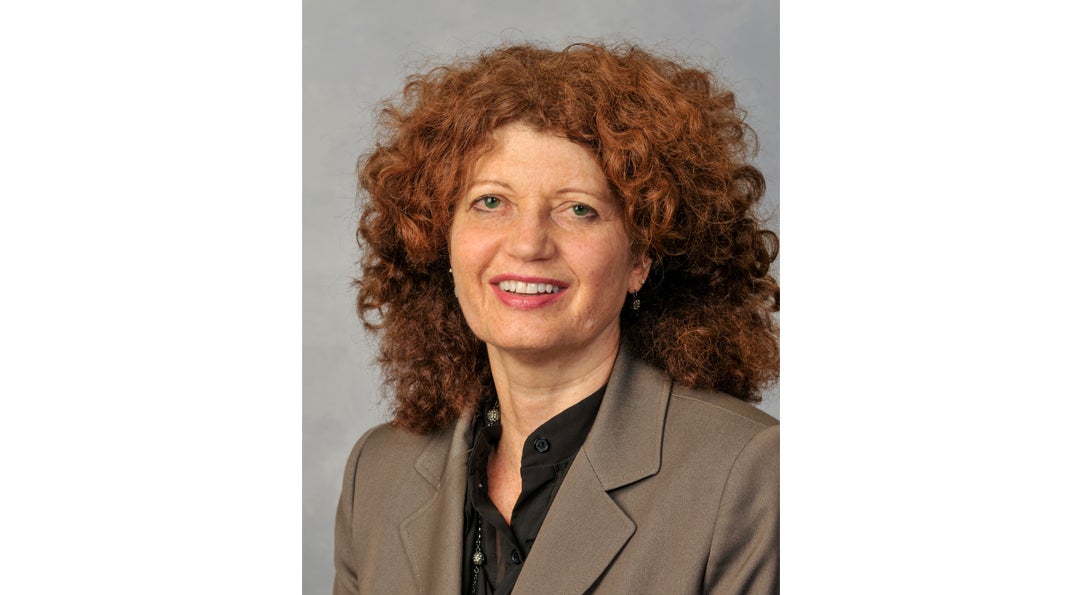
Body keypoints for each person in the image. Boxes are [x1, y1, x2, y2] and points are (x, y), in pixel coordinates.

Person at [334, 41, 779, 594]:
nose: (527, 245)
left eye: (578, 209)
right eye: (491, 202)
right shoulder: (378, 473)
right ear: (439, 235)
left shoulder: (751, 474)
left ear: (641, 256)